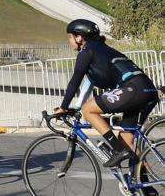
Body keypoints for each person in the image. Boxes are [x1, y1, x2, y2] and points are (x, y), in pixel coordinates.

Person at [54, 19, 160, 170]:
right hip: (147, 90)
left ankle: (118, 150)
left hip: (133, 89)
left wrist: (63, 107)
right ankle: (146, 189)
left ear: (79, 37)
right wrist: (75, 108)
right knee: (127, 142)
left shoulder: (87, 51)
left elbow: (74, 81)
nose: (69, 40)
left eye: (70, 37)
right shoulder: (102, 50)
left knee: (89, 109)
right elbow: (87, 84)